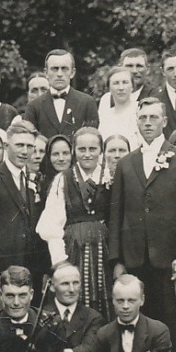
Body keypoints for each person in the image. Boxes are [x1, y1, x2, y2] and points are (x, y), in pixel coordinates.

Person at [108, 98, 176, 335]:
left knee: (167, 318)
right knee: (136, 319)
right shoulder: (126, 164)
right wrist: (117, 259)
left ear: (164, 121)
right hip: (134, 255)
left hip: (169, 256)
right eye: (143, 118)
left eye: (153, 117)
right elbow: (116, 214)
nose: (147, 123)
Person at [35, 127, 112, 316]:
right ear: (74, 151)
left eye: (93, 149)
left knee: (105, 297)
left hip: (105, 251)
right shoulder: (63, 179)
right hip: (73, 250)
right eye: (81, 149)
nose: (87, 155)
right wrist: (61, 262)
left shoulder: (111, 176)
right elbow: (51, 225)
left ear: (101, 151)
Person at [74, 275, 174, 352]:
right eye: (120, 301)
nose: (125, 306)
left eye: (131, 300)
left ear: (142, 300)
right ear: (113, 301)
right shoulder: (104, 333)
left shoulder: (158, 331)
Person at [0, 119, 46, 275]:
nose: (25, 151)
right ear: (6, 147)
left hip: (28, 266)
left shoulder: (29, 179)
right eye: (19, 145)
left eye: (29, 146)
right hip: (1, 265)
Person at [23, 49, 100, 140]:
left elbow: (92, 139)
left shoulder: (87, 102)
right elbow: (29, 140)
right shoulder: (34, 106)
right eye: (55, 69)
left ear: (72, 73)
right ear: (46, 73)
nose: (59, 74)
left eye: (64, 69)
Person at [96, 64, 143, 151]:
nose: (121, 88)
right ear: (109, 88)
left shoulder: (141, 111)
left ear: (132, 86)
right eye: (116, 83)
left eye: (125, 82)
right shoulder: (105, 115)